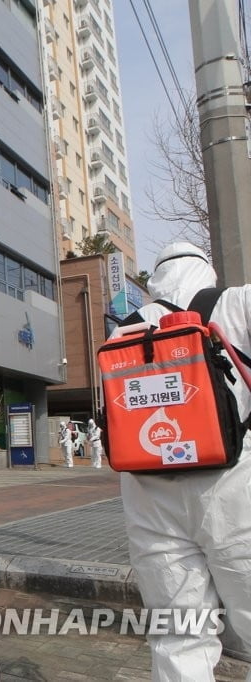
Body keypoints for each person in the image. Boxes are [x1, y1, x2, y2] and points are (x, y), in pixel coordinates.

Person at [111, 242, 251, 679]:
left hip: (148, 491)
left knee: (178, 633)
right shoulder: (236, 303)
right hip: (232, 486)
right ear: (204, 271)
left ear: (155, 280)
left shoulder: (123, 331)